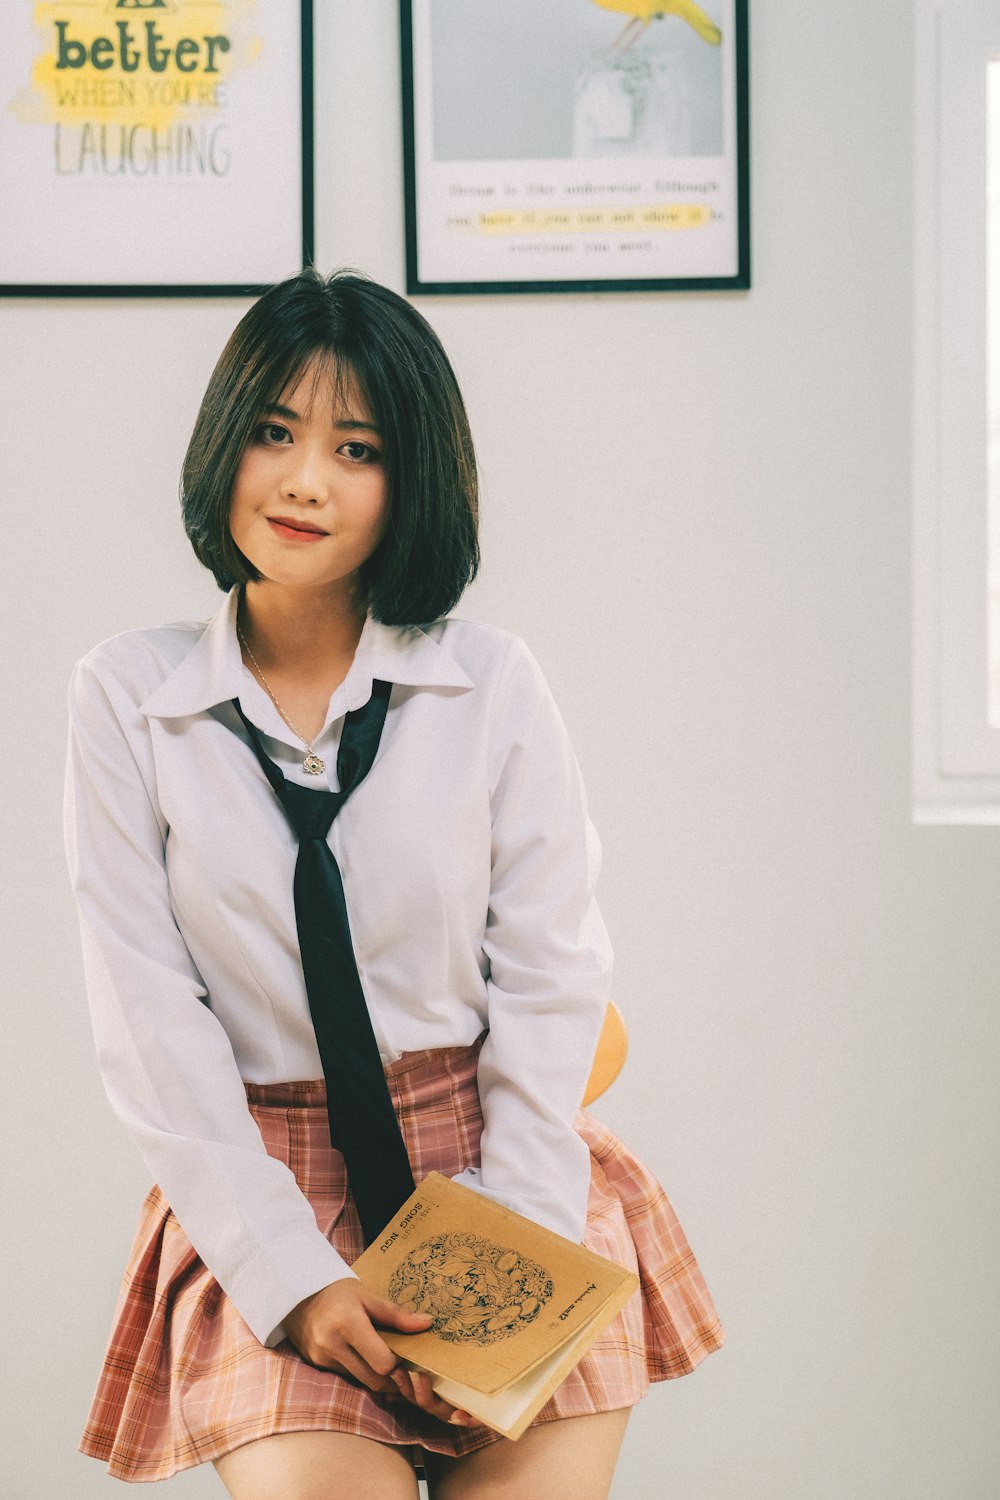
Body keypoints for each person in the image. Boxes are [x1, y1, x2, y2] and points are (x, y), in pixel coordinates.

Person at [63, 268, 723, 1500]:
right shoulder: (127, 699)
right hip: (272, 1188)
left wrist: (514, 1226)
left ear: (408, 481)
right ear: (225, 445)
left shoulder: (490, 683)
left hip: (501, 1162)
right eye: (274, 432)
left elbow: (550, 971)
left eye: (354, 448)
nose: (305, 478)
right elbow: (147, 1021)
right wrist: (290, 1277)